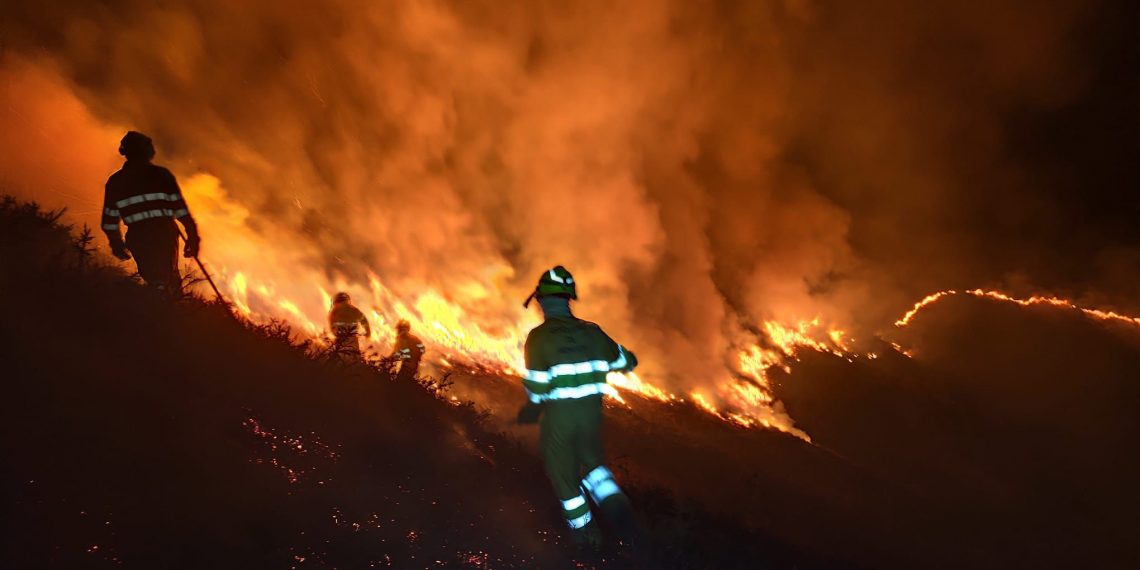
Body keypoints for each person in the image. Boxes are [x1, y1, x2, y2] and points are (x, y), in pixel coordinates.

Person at [518, 265, 639, 549]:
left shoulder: (539, 337)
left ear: (541, 301)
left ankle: (587, 542)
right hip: (591, 417)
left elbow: (537, 388)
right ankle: (620, 512)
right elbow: (627, 361)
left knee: (565, 481)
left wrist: (533, 405)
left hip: (560, 419)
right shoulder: (593, 331)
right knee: (595, 468)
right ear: (569, 297)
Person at [101, 131, 200, 296]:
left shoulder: (116, 181)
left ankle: (161, 308)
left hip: (139, 238)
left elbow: (109, 220)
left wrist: (116, 243)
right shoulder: (160, 175)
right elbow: (180, 210)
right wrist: (192, 236)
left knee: (155, 279)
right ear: (146, 151)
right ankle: (171, 311)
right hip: (163, 234)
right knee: (166, 279)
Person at [328, 292, 371, 360]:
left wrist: (335, 333)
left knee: (340, 358)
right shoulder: (353, 310)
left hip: (341, 339)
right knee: (354, 358)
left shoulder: (334, 312)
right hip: (351, 339)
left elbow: (332, 326)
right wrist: (368, 331)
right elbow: (363, 320)